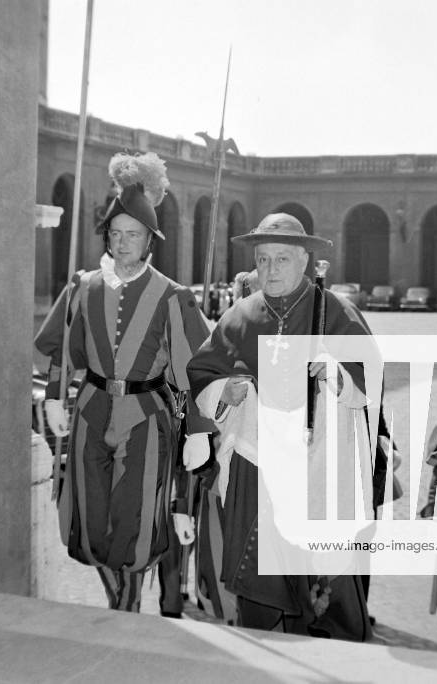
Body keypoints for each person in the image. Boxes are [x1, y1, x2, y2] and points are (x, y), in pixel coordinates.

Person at [34, 152, 214, 614]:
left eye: (132, 235)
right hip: (92, 411)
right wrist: (56, 397)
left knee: (133, 524)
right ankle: (121, 602)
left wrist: (196, 429)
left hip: (147, 419)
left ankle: (126, 609)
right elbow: (63, 349)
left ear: (149, 240)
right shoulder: (82, 286)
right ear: (107, 238)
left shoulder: (174, 296)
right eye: (115, 234)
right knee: (92, 519)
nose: (123, 242)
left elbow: (193, 370)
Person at [186, 213, 376, 641]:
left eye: (281, 259)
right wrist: (223, 391)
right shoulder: (239, 316)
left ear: (306, 262)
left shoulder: (338, 312)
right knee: (260, 584)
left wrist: (337, 375)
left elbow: (369, 375)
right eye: (263, 259)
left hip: (320, 467)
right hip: (258, 473)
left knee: (324, 583)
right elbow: (200, 371)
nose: (270, 270)